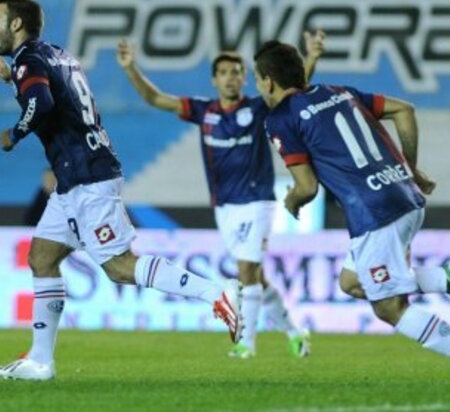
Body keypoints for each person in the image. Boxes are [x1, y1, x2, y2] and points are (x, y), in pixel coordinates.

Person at [0, 0, 243, 381]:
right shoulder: (56, 54)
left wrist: (16, 133)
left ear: (16, 24)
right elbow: (51, 93)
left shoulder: (28, 60)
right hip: (76, 178)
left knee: (120, 267)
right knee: (41, 257)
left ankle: (214, 291)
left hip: (88, 177)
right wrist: (12, 80)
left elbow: (42, 102)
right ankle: (40, 362)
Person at [115, 33, 325, 359]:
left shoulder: (257, 108)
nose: (231, 77)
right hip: (224, 207)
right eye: (225, 72)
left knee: (245, 271)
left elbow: (291, 89)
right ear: (214, 79)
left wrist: (311, 57)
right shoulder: (204, 111)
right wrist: (130, 68)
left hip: (258, 202)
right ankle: (296, 333)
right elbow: (156, 99)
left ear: (245, 77)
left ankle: (246, 343)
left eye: (237, 72)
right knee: (257, 277)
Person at [254, 40, 450, 358]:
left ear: (268, 81)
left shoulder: (279, 120)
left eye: (257, 78)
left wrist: (291, 202)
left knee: (389, 307)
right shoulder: (340, 91)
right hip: (405, 197)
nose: (259, 86)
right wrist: (410, 170)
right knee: (352, 282)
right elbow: (405, 110)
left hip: (376, 213)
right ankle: (445, 278)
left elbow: (307, 188)